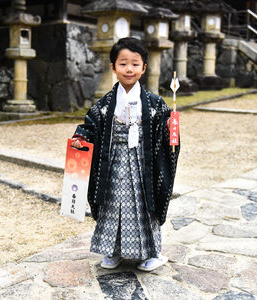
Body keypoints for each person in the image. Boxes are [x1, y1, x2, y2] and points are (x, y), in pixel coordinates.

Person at [71, 37, 180, 271]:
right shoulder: (104, 103)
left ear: (143, 68)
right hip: (112, 162)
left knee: (143, 206)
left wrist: (172, 129)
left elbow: (166, 133)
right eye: (122, 63)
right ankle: (112, 251)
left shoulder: (155, 103)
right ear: (113, 67)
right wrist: (81, 138)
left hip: (143, 163)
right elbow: (89, 126)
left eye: (134, 63)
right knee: (112, 204)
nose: (129, 69)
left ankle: (150, 253)